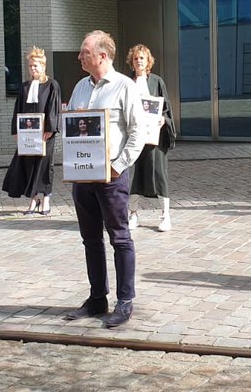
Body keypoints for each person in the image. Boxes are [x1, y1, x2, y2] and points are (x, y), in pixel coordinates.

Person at [62, 30, 144, 329]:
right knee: (90, 240)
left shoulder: (125, 86)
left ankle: (125, 301)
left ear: (102, 56)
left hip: (111, 177)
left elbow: (138, 132)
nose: (79, 57)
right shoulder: (80, 87)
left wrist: (119, 166)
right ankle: (98, 298)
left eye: (84, 52)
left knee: (119, 237)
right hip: (82, 177)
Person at [2, 46, 61, 216]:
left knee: (44, 165)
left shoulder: (51, 85)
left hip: (45, 134)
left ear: (43, 66)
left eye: (36, 65)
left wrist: (50, 128)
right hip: (28, 134)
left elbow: (53, 109)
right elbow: (18, 109)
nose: (33, 68)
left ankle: (46, 199)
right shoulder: (25, 87)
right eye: (30, 66)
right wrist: (17, 130)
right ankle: (34, 199)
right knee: (28, 165)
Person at [125, 44, 177, 232]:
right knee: (136, 175)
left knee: (160, 174)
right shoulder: (127, 83)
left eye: (142, 58)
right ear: (132, 61)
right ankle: (133, 214)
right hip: (135, 136)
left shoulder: (157, 82)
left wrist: (164, 119)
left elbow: (166, 107)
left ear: (148, 62)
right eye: (136, 58)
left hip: (155, 136)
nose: (139, 61)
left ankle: (165, 215)